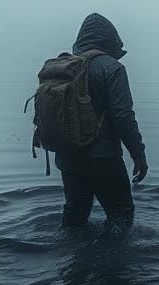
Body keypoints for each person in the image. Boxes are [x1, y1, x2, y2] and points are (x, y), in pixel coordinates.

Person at [56, 12, 148, 231]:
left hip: (68, 157)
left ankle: (69, 262)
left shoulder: (64, 68)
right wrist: (139, 155)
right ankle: (116, 265)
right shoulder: (112, 68)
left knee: (74, 216)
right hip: (103, 158)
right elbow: (123, 117)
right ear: (110, 39)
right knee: (121, 213)